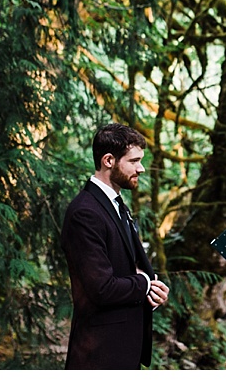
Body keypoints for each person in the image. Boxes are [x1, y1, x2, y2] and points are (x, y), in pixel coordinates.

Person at [61, 123, 170, 369]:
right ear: (109, 160)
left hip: (122, 349)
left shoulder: (116, 204)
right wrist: (143, 284)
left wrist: (151, 291)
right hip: (99, 354)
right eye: (134, 161)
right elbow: (101, 288)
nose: (141, 168)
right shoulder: (85, 213)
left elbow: (126, 267)